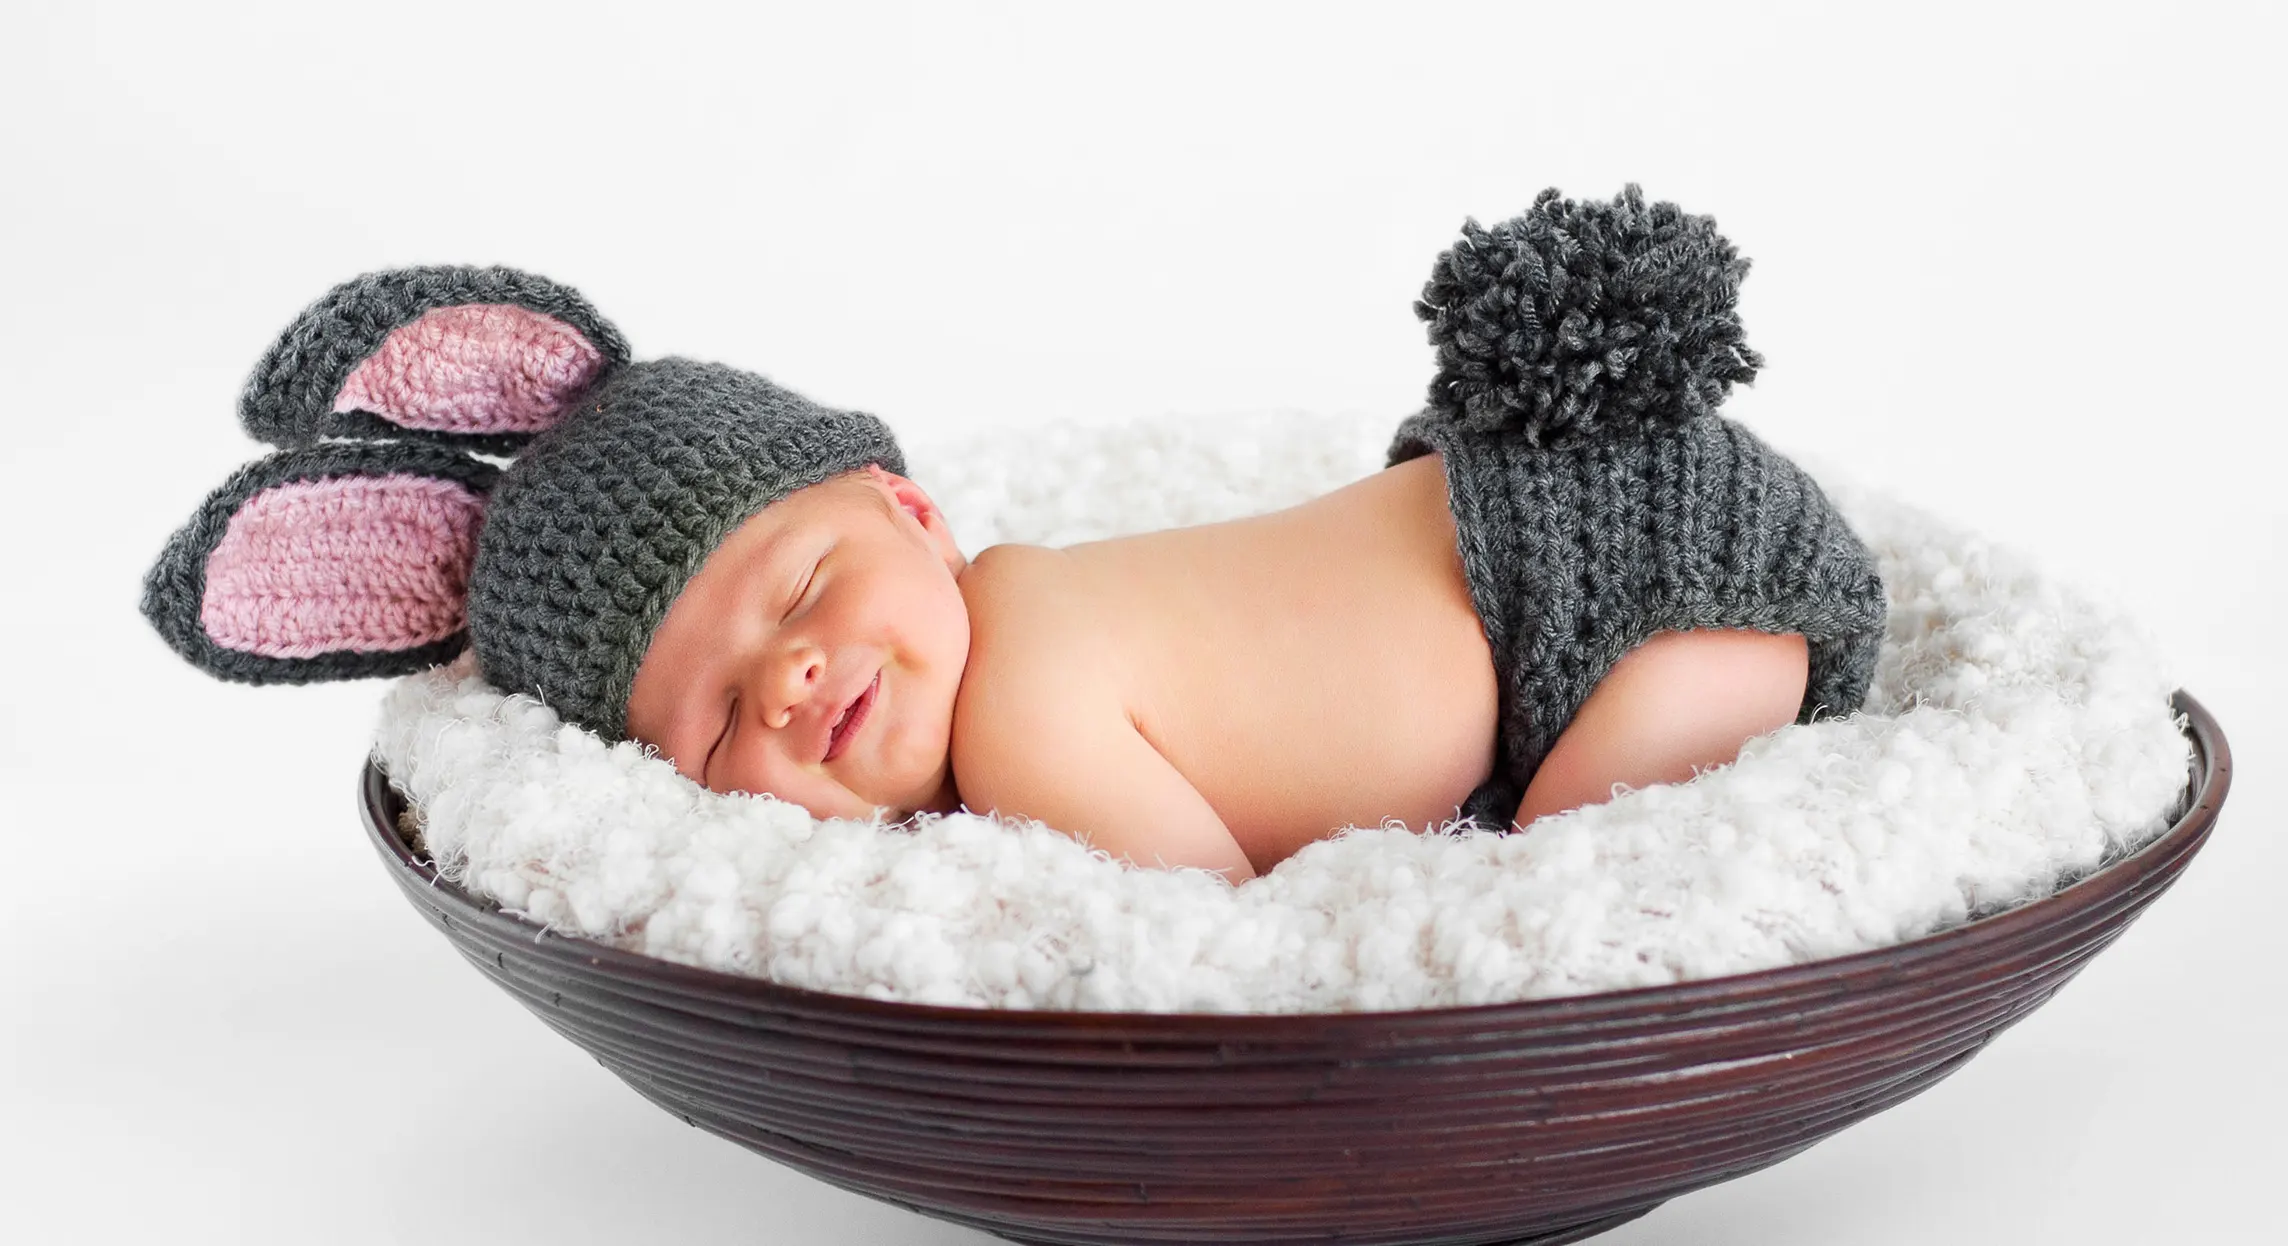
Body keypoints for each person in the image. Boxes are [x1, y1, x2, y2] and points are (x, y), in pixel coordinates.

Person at [143, 186, 1887, 887]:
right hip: (1541, 560)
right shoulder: (1007, 662)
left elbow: (1205, 925)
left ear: (916, 511)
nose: (797, 674)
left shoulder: (1028, 692)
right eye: (718, 720)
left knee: (1582, 878)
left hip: (1629, 563)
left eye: (803, 590)